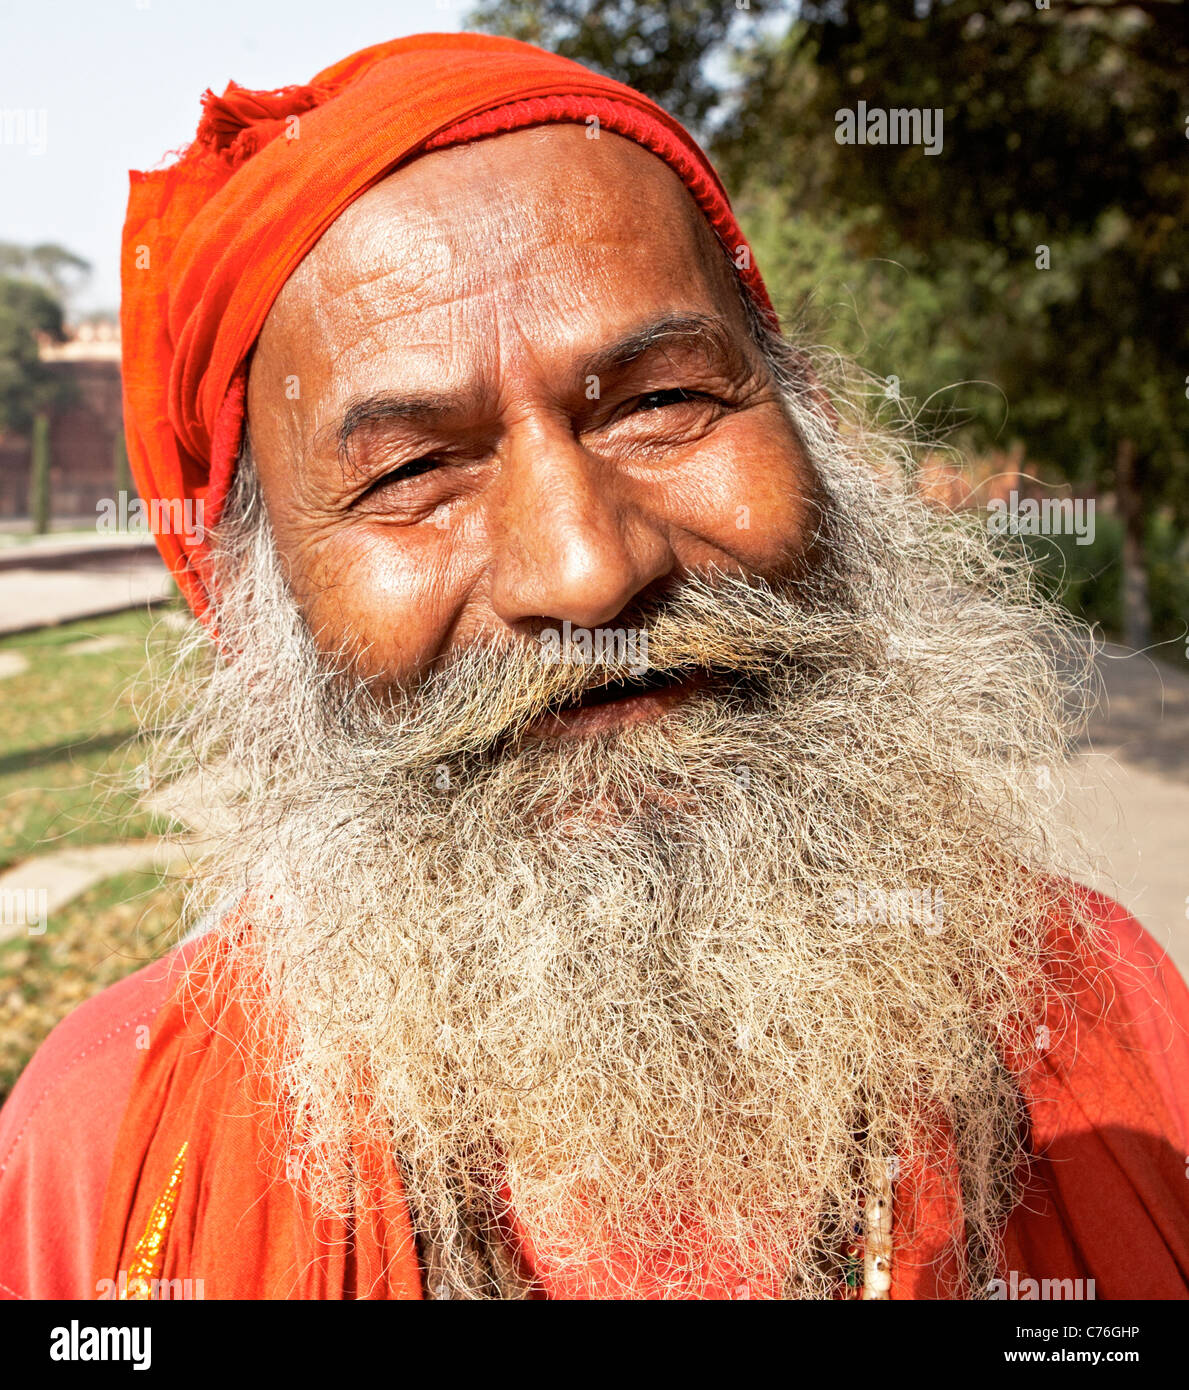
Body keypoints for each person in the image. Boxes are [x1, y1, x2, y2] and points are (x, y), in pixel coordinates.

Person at [1, 32, 1186, 1301]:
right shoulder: (109, 1155)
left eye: (659, 401)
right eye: (410, 473)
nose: (584, 572)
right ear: (258, 603)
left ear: (814, 432)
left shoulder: (1107, 1022)